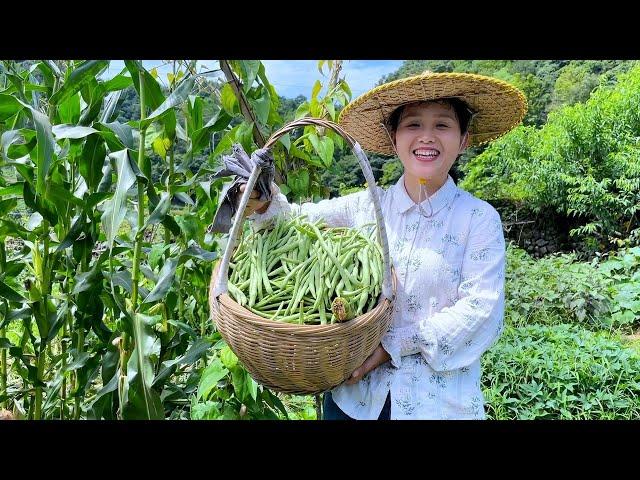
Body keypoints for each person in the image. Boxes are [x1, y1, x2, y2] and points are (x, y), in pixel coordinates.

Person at [239, 71, 527, 419]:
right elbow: (295, 220)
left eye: (442, 125)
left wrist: (391, 346)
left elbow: (481, 312)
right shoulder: (366, 206)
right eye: (412, 125)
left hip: (437, 405)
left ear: (464, 139)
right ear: (394, 139)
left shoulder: (478, 219)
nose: (426, 137)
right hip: (353, 401)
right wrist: (262, 202)